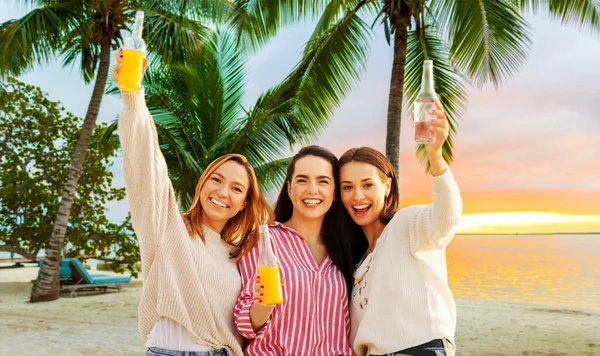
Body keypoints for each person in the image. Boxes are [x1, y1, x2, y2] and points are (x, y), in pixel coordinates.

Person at [113, 49, 273, 356]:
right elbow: (148, 169)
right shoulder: (168, 229)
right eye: (216, 179)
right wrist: (133, 97)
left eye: (236, 188)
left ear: (243, 203)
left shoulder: (238, 255)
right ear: (202, 185)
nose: (223, 192)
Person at [338, 101, 462, 356]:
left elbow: (445, 220)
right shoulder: (359, 261)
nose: (357, 196)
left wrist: (435, 157)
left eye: (367, 185)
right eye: (347, 187)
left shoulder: (406, 225)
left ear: (387, 186)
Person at [234, 145, 355, 356]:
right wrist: (264, 304)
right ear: (290, 189)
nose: (312, 190)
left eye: (323, 181)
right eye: (302, 180)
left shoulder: (345, 249)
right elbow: (244, 324)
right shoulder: (264, 241)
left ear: (334, 192)